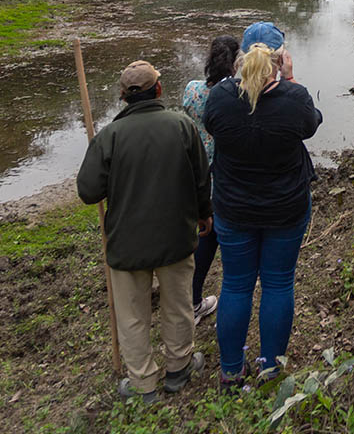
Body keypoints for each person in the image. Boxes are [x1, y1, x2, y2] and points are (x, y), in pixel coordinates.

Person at [77, 59, 212, 402]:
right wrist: (204, 214)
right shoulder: (183, 126)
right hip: (175, 237)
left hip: (127, 242)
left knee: (133, 314)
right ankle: (179, 367)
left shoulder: (110, 136)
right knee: (178, 303)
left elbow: (88, 191)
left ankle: (142, 384)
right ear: (159, 90)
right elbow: (201, 179)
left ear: (123, 97)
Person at [204, 22, 322, 389]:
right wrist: (291, 78)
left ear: (242, 56)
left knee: (236, 285)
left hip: (234, 209)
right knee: (277, 283)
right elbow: (311, 124)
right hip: (285, 209)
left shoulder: (221, 98)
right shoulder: (294, 98)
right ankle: (270, 369)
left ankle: (231, 370)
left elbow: (212, 125)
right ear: (281, 57)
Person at [181, 34, 240, 324]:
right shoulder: (235, 96)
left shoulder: (192, 91)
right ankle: (203, 304)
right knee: (216, 244)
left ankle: (189, 300)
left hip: (193, 177)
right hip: (223, 179)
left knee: (197, 240)